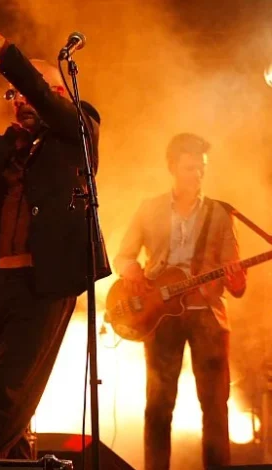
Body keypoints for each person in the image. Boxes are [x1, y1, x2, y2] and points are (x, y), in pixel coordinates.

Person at [0, 0, 110, 459]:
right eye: (13, 97)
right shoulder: (12, 148)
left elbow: (38, 88)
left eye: (28, 94)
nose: (19, 102)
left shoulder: (78, 128)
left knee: (4, 401)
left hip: (44, 284)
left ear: (54, 93)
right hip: (3, 284)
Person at [114, 133, 245, 470]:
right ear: (172, 168)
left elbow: (237, 280)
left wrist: (235, 278)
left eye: (201, 169)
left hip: (208, 317)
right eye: (190, 169)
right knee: (158, 406)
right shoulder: (150, 208)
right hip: (161, 314)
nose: (197, 176)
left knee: (216, 408)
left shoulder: (220, 213)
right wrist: (132, 272)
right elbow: (124, 255)